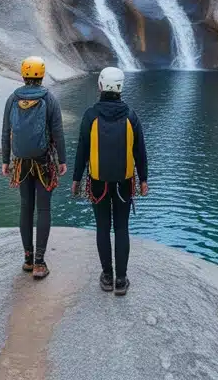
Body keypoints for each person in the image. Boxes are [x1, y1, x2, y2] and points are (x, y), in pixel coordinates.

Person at [71, 67, 148, 296]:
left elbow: (82, 150)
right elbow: (140, 150)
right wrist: (143, 179)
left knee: (103, 228)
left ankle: (107, 276)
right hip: (124, 182)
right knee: (122, 228)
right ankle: (121, 280)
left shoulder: (90, 116)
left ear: (100, 86)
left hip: (98, 183)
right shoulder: (131, 116)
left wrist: (76, 179)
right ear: (121, 87)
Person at [2, 55, 67, 279]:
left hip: (21, 161)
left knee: (26, 207)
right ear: (42, 75)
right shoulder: (49, 98)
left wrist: (5, 160)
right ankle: (40, 263)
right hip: (44, 160)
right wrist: (63, 160)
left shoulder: (13, 98)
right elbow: (58, 132)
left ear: (23, 74)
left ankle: (28, 259)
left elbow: (6, 132)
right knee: (44, 210)